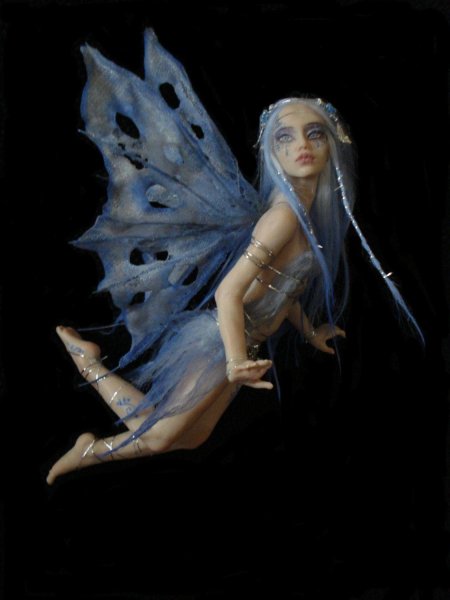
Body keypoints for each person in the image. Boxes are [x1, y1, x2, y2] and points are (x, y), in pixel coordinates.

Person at [46, 32, 422, 486]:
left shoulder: (305, 219)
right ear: (274, 153)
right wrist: (234, 361)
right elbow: (229, 291)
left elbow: (283, 287)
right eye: (285, 138)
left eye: (315, 134)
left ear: (332, 146)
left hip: (243, 345)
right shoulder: (282, 218)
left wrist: (309, 329)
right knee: (161, 436)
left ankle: (87, 396)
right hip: (222, 342)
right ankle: (87, 394)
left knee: (191, 436)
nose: (301, 145)